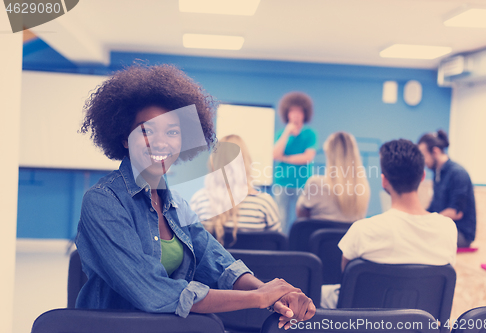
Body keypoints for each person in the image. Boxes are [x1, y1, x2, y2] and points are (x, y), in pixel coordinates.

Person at [76, 64, 315, 330]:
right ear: (124, 137)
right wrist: (257, 297)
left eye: (172, 132)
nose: (160, 142)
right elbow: (154, 292)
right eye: (147, 130)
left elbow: (219, 264)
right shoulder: (102, 202)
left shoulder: (177, 204)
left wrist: (274, 295)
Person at [321, 139, 457, 309]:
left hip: (365, 324)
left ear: (384, 181)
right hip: (418, 325)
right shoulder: (448, 228)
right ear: (422, 176)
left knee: (320, 294)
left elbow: (348, 282)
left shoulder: (363, 230)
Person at [190, 134, 281, 246]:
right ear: (246, 163)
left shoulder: (199, 201)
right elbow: (278, 247)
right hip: (253, 264)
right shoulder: (264, 204)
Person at [418, 130, 476, 248]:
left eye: (424, 156)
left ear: (435, 151)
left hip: (461, 234)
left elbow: (456, 212)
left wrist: (428, 222)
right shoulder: (437, 173)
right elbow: (434, 207)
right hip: (443, 228)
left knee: (422, 240)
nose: (423, 162)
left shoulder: (458, 173)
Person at [296, 132, 370, 222]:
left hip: (319, 236)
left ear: (329, 154)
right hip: (349, 236)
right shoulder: (362, 189)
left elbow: (301, 215)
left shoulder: (315, 183)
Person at [273, 91, 317, 234]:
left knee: (302, 219)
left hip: (302, 183)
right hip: (282, 182)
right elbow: (275, 154)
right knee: (281, 218)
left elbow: (307, 157)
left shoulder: (310, 134)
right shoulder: (281, 134)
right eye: (292, 111)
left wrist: (285, 158)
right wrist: (286, 133)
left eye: (299, 111)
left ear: (305, 114)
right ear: (287, 113)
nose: (296, 115)